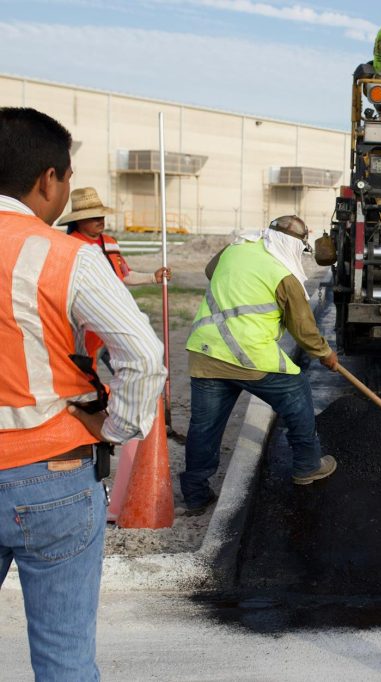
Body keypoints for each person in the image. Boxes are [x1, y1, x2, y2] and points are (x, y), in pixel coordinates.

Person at [0, 107, 166, 679]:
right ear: (49, 178)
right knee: (65, 659)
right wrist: (115, 428)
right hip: (52, 472)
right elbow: (144, 357)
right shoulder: (65, 254)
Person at [181, 215, 340, 516]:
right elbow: (304, 330)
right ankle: (308, 465)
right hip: (249, 357)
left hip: (205, 351)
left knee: (204, 428)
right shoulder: (284, 274)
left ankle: (195, 494)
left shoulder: (235, 249)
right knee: (296, 392)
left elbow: (209, 271)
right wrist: (325, 354)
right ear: (295, 245)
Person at [57, 186, 171, 369]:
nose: (100, 220)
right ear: (79, 220)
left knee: (135, 366)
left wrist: (152, 277)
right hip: (85, 324)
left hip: (114, 319)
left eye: (101, 215)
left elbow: (124, 276)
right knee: (84, 374)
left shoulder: (110, 243)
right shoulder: (70, 246)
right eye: (94, 217)